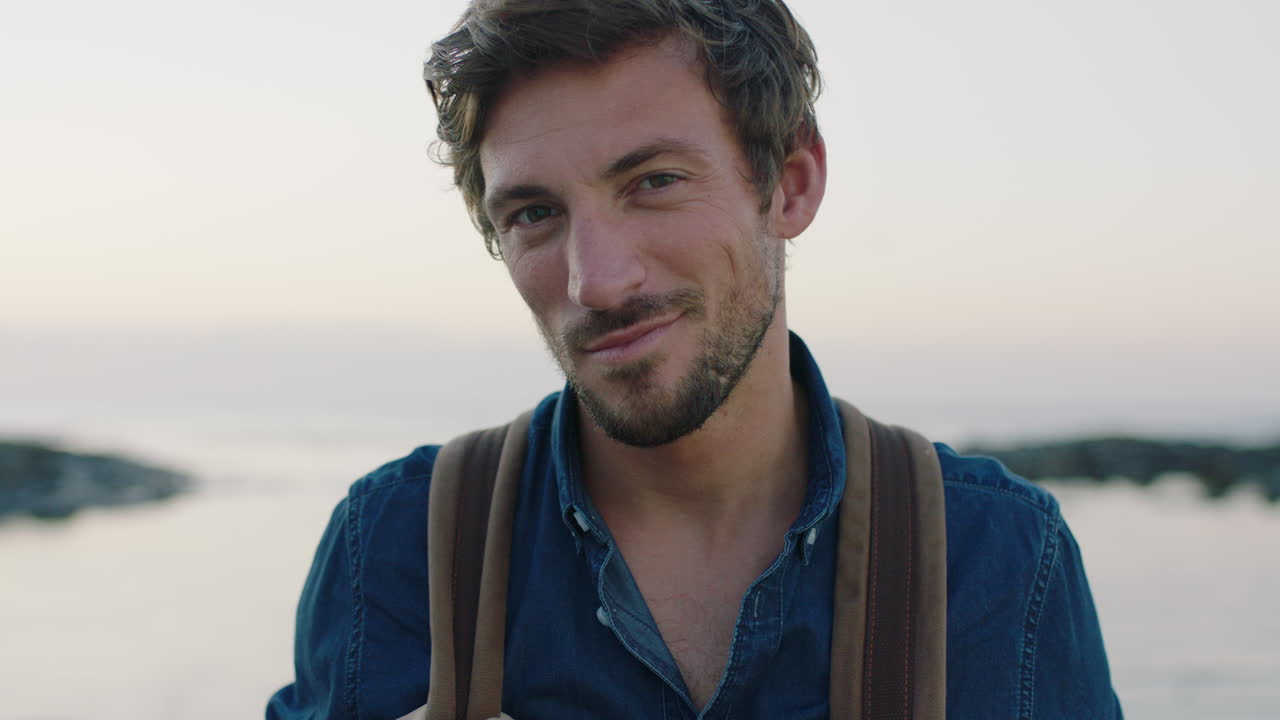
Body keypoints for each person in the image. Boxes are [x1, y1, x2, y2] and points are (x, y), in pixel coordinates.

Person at [268, 1, 1123, 718]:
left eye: (654, 182)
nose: (596, 281)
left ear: (789, 182)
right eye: (534, 213)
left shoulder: (1000, 562)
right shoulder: (394, 547)